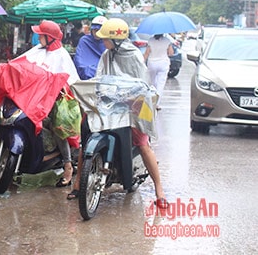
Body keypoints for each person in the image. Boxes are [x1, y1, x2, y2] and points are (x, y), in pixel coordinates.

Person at [68, 18, 167, 208]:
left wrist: (128, 96)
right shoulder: (106, 54)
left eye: (106, 38)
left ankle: (159, 190)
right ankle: (78, 181)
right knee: (86, 133)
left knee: (142, 143)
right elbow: (100, 77)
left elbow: (142, 84)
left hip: (134, 104)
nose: (102, 41)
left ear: (116, 39)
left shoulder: (134, 56)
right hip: (111, 103)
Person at [20, 20, 79, 187]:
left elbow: (70, 79)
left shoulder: (61, 55)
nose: (38, 37)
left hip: (54, 99)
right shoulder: (38, 50)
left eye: (41, 35)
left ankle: (68, 166)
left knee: (57, 126)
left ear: (50, 37)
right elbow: (21, 63)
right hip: (33, 97)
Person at [143, 34, 174, 110]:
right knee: (161, 83)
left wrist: (142, 61)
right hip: (163, 63)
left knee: (152, 83)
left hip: (152, 63)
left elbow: (147, 53)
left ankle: (152, 99)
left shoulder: (150, 40)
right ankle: (157, 103)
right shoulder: (167, 41)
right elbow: (171, 53)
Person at [73, 16, 107, 80]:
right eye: (95, 30)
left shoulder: (108, 41)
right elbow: (79, 59)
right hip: (87, 76)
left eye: (100, 31)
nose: (97, 33)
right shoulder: (85, 40)